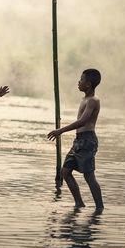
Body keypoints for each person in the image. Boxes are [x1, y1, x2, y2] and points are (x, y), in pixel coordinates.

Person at [47, 69, 104, 211]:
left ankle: (100, 208)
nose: (79, 82)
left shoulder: (93, 101)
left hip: (87, 141)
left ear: (89, 84)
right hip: (79, 141)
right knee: (65, 172)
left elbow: (83, 121)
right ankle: (79, 203)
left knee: (89, 176)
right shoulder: (84, 99)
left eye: (82, 79)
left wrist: (61, 130)